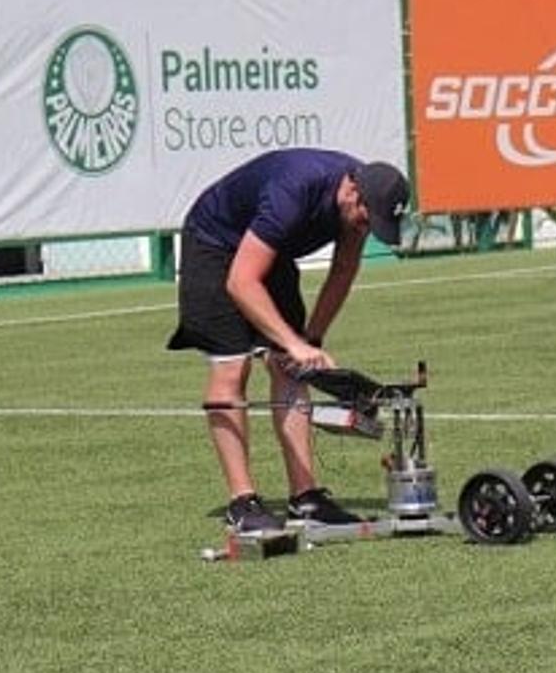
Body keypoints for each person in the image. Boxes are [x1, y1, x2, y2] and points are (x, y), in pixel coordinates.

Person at [167, 147, 411, 535]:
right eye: (367, 218)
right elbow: (240, 281)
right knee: (233, 365)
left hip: (270, 252)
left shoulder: (360, 207)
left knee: (291, 368)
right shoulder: (295, 191)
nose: (366, 228)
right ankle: (242, 501)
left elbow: (344, 268)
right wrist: (295, 343)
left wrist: (309, 338)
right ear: (352, 192)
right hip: (214, 245)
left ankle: (306, 497)